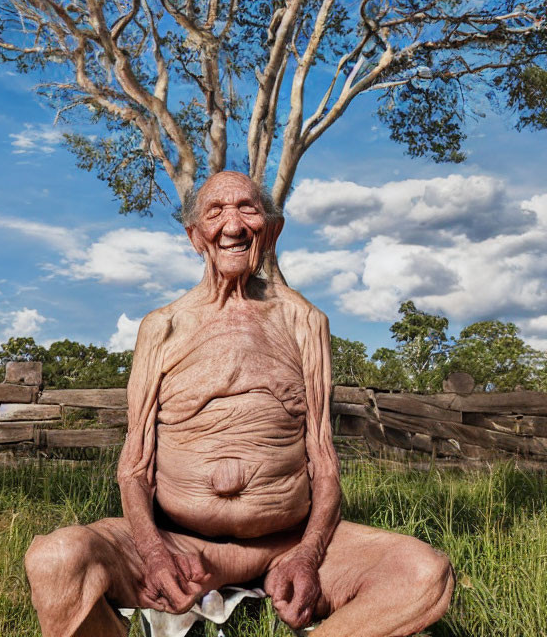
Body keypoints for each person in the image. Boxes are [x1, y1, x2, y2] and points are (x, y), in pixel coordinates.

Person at [25, 171, 454, 637]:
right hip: (179, 541)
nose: (233, 225)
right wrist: (152, 551)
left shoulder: (304, 321)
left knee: (424, 573)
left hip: (286, 541)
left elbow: (325, 467)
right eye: (215, 212)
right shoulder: (161, 327)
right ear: (194, 237)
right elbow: (133, 469)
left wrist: (308, 554)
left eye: (248, 209)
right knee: (55, 560)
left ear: (272, 229)